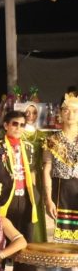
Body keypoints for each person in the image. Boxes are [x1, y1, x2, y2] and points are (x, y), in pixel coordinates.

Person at [0, 110, 37, 241]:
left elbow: (32, 172)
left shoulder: (29, 148)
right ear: (6, 125)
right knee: (1, 237)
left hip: (25, 198)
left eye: (22, 125)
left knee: (25, 236)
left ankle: (22, 256)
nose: (18, 128)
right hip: (3, 197)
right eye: (15, 124)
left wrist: (34, 194)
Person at [43, 95, 78, 243]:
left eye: (75, 111)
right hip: (61, 192)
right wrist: (48, 199)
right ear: (60, 113)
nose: (71, 114)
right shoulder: (52, 140)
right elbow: (47, 169)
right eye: (66, 110)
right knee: (64, 243)